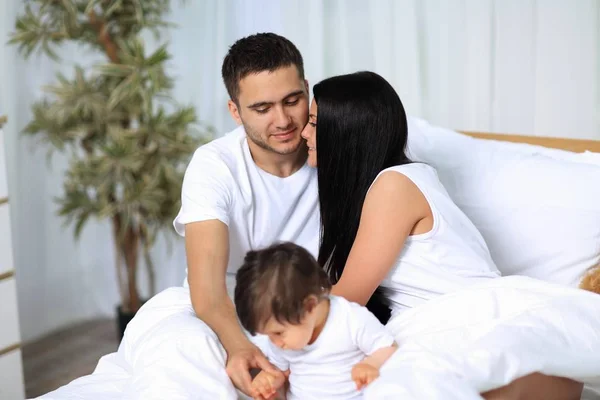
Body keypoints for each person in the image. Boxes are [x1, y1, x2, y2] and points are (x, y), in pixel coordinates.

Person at [300, 70, 584, 399]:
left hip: (482, 331)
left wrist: (280, 342)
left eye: (315, 123)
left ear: (347, 132)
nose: (304, 133)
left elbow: (347, 299)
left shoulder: (394, 187)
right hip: (491, 335)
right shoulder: (400, 181)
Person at [234, 242, 398, 400]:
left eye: (278, 333)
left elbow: (387, 347)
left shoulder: (351, 319)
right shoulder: (283, 339)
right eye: (268, 335)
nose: (275, 342)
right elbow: (279, 371)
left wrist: (371, 364)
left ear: (310, 306)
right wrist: (269, 381)